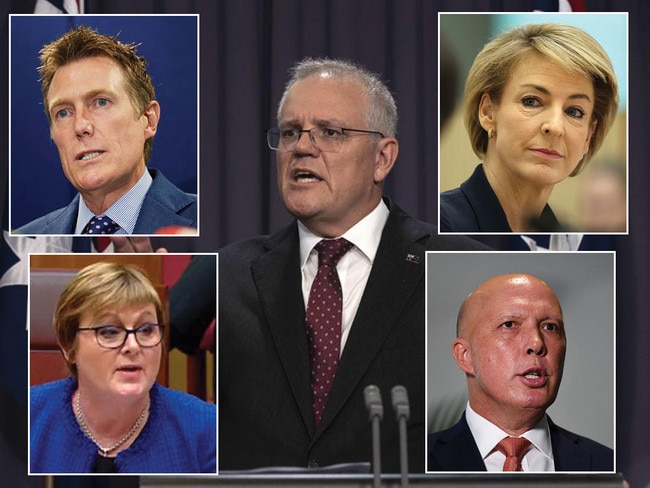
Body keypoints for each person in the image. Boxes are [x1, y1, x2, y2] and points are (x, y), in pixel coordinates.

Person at [213, 57, 489, 473]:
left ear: (383, 157)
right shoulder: (229, 271)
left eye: (330, 132)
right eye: (290, 132)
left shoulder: (462, 267)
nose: (302, 147)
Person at [30, 262, 216, 474]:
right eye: (109, 331)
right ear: (69, 346)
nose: (133, 346)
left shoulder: (208, 428)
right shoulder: (23, 418)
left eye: (146, 329)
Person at [14, 25, 197, 235]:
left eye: (101, 102)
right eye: (63, 113)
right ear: (53, 134)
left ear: (149, 120)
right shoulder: (22, 241)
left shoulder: (202, 223)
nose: (81, 126)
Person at [439, 23, 619, 233]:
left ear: (589, 136)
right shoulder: (439, 226)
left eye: (574, 112)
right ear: (488, 112)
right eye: (532, 101)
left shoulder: (571, 244)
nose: (555, 126)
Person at [427, 273, 613, 472]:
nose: (537, 343)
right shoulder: (413, 462)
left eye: (550, 327)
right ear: (465, 355)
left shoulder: (608, 466)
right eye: (509, 325)